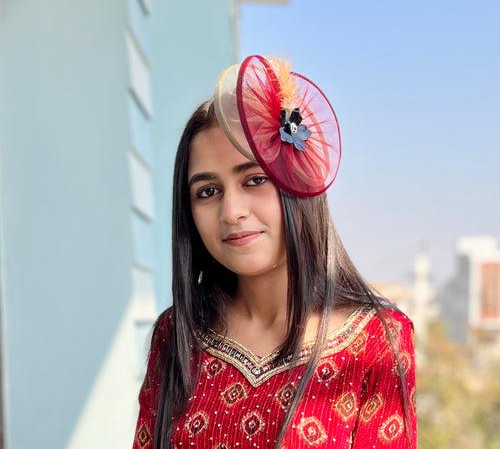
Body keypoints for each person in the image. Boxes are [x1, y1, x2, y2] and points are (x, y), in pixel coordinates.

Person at [133, 55, 417, 449]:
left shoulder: (375, 340)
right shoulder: (178, 333)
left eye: (253, 179)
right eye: (207, 191)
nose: (232, 212)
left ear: (297, 184)